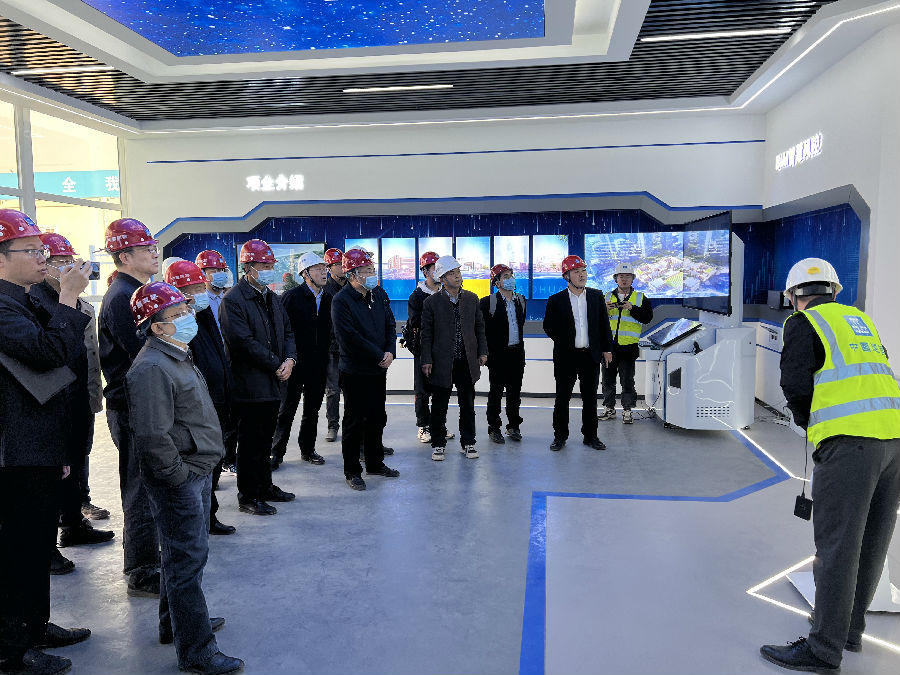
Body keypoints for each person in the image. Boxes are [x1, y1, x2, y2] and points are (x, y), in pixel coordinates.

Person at [760, 258, 900, 674]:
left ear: (792, 296)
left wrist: (814, 426)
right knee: (872, 542)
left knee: (838, 546)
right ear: (836, 291)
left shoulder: (804, 322)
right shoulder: (861, 322)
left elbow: (794, 383)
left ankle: (823, 649)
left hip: (850, 445)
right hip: (893, 439)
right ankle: (849, 631)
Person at [126, 282, 243, 675]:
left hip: (196, 468)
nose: (189, 317)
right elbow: (152, 435)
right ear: (157, 327)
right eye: (178, 314)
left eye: (186, 309)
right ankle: (197, 650)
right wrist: (179, 476)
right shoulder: (152, 368)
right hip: (181, 477)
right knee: (186, 563)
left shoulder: (175, 353)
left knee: (181, 557)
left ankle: (173, 624)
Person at [0, 209, 93, 675]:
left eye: (43, 250)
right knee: (17, 550)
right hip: (15, 451)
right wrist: (70, 296)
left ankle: (34, 626)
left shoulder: (25, 299)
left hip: (38, 444)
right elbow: (48, 352)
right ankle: (11, 649)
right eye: (32, 251)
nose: (43, 258)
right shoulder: (2, 308)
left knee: (37, 545)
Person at [31, 234, 114, 565]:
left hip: (78, 394)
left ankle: (73, 523)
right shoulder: (36, 301)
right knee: (53, 470)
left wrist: (93, 395)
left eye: (70, 260)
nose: (68, 267)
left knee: (77, 459)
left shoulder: (80, 303)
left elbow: (89, 354)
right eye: (59, 261)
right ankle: (46, 546)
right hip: (52, 398)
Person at [98, 217, 161, 596]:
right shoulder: (123, 297)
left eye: (154, 247)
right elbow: (143, 355)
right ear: (124, 255)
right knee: (139, 488)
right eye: (146, 248)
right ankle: (141, 570)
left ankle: (148, 558)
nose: (155, 253)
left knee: (149, 485)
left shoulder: (135, 292)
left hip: (143, 405)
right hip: (132, 408)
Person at [219, 239, 296, 516]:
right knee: (250, 443)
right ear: (248, 267)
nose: (268, 270)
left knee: (265, 441)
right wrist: (277, 364)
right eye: (263, 265)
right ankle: (248, 496)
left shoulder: (272, 297)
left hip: (274, 382)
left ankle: (265, 487)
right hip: (249, 384)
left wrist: (290, 360)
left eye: (270, 265)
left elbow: (287, 332)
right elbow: (243, 342)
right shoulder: (233, 301)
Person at [164, 260, 236, 536]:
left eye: (199, 286)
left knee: (213, 459)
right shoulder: (178, 325)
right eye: (193, 289)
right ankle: (197, 520)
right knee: (198, 464)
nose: (200, 292)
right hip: (195, 406)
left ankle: (208, 515)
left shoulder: (204, 315)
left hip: (217, 399)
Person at [330, 248, 399, 490]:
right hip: (355, 371)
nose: (372, 274)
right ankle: (352, 471)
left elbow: (390, 324)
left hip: (379, 369)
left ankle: (375, 463)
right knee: (354, 421)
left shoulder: (378, 294)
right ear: (353, 274)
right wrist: (379, 355)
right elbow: (349, 337)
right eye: (367, 271)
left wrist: (390, 351)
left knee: (377, 417)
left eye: (373, 270)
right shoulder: (341, 301)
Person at [420, 256, 488, 461]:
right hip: (442, 362)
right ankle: (438, 443)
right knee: (439, 405)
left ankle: (468, 442)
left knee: (467, 405)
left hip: (467, 360)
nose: (457, 276)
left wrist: (482, 351)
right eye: (451, 273)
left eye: (458, 271)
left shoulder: (472, 299)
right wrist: (426, 359)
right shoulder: (431, 302)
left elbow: (479, 328)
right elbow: (426, 334)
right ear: (442, 278)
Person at [542, 255, 613, 452]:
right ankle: (560, 437)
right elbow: (548, 326)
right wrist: (565, 341)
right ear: (567, 276)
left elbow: (604, 325)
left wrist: (607, 349)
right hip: (566, 357)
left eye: (583, 271)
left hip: (590, 356)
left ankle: (591, 436)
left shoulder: (596, 296)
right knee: (562, 398)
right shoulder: (556, 300)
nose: (582, 275)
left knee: (590, 399)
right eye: (576, 272)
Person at [271, 252, 330, 469]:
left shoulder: (329, 298)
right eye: (318, 269)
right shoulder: (291, 297)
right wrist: (285, 359)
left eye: (324, 268)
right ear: (305, 273)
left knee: (312, 410)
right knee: (286, 410)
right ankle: (276, 452)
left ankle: (308, 449)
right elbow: (281, 331)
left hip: (318, 364)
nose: (323, 272)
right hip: (294, 363)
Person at [195, 250, 236, 472]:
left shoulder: (229, 298)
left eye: (222, 270)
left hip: (231, 361)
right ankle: (215, 464)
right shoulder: (200, 303)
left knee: (232, 414)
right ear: (202, 273)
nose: (219, 274)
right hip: (211, 364)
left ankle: (230, 458)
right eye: (214, 270)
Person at [600, 262, 653, 424]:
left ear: (632, 279)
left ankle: (627, 410)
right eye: (621, 276)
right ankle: (609, 408)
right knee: (608, 380)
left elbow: (647, 318)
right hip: (609, 347)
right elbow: (595, 320)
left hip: (629, 348)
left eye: (627, 276)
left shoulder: (640, 298)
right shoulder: (606, 297)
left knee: (627, 381)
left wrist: (632, 308)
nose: (624, 279)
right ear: (615, 279)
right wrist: (604, 310)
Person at [480, 264, 526, 444]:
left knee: (514, 393)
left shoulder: (521, 300)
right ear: (497, 282)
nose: (510, 279)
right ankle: (494, 428)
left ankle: (514, 426)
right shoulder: (488, 302)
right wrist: (483, 353)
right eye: (506, 276)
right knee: (496, 392)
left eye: (511, 275)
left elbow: (520, 325)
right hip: (497, 356)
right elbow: (481, 330)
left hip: (517, 354)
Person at [406, 251, 442, 444]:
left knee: (440, 389)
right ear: (425, 272)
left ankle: (438, 425)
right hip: (422, 348)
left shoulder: (445, 292)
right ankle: (423, 426)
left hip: (443, 348)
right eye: (435, 268)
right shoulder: (417, 296)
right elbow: (415, 321)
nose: (439, 272)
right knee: (422, 389)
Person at [322, 248, 345, 443]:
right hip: (332, 348)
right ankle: (332, 425)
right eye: (337, 264)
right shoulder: (325, 290)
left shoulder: (352, 287)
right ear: (329, 268)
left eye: (342, 263)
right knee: (333, 390)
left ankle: (355, 426)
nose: (341, 267)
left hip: (351, 347)